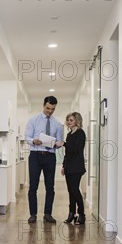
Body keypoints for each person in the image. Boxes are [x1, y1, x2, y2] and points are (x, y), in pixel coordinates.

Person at [25, 96, 64, 224]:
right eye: (48, 108)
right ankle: (33, 214)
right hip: (35, 155)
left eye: (52, 109)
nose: (50, 111)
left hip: (50, 156)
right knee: (33, 187)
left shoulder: (57, 124)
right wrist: (33, 141)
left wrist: (59, 143)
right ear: (43, 105)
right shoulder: (33, 120)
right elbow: (27, 137)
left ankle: (48, 214)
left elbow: (59, 140)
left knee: (50, 187)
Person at [61, 112, 87, 225]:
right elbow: (67, 153)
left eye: (71, 120)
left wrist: (64, 144)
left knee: (75, 190)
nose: (69, 122)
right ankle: (72, 214)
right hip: (69, 167)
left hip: (77, 167)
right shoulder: (69, 134)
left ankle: (81, 214)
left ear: (77, 120)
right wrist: (63, 165)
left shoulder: (80, 133)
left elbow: (76, 149)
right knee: (70, 191)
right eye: (68, 120)